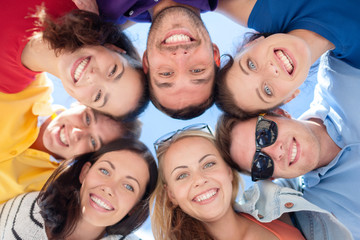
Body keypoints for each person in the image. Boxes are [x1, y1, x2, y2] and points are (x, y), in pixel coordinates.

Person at [216, 52, 360, 239]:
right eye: (261, 164)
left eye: (265, 134)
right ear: (272, 177)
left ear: (280, 112)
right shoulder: (324, 218)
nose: (276, 152)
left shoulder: (342, 69)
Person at [149, 125, 351, 240]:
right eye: (182, 175)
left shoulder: (275, 201)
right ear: (171, 195)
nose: (200, 180)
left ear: (228, 171)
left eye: (208, 164)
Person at [0, 73, 141, 204]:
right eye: (87, 118)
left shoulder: (46, 193)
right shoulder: (30, 82)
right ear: (79, 103)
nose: (76, 132)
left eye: (93, 141)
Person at [1, 0, 148, 120]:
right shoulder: (79, 3)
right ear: (115, 49)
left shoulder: (9, 83)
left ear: (81, 102)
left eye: (98, 96)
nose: (93, 76)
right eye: (113, 71)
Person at [214, 0, 360, 119]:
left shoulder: (269, 7)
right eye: (267, 90)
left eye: (251, 65)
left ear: (250, 44)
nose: (272, 69)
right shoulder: (355, 62)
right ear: (290, 97)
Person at [77, 0, 221, 119]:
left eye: (166, 73)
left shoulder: (97, 12)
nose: (180, 57)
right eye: (197, 70)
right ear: (214, 55)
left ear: (146, 61)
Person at [0, 138, 158, 239]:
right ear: (85, 172)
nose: (109, 188)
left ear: (135, 206)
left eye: (128, 186)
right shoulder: (29, 211)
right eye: (104, 171)